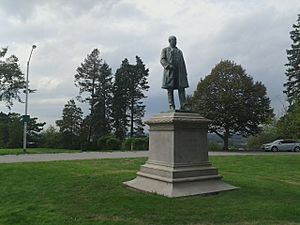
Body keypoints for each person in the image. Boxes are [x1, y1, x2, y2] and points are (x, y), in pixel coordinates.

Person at [160, 35, 189, 110]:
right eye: (174, 40)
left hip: (179, 72)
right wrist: (168, 66)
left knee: (181, 88)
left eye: (176, 40)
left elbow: (183, 62)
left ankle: (184, 105)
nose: (175, 42)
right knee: (170, 89)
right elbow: (162, 60)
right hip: (170, 72)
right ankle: (171, 105)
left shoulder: (179, 51)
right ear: (170, 41)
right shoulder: (165, 50)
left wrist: (185, 73)